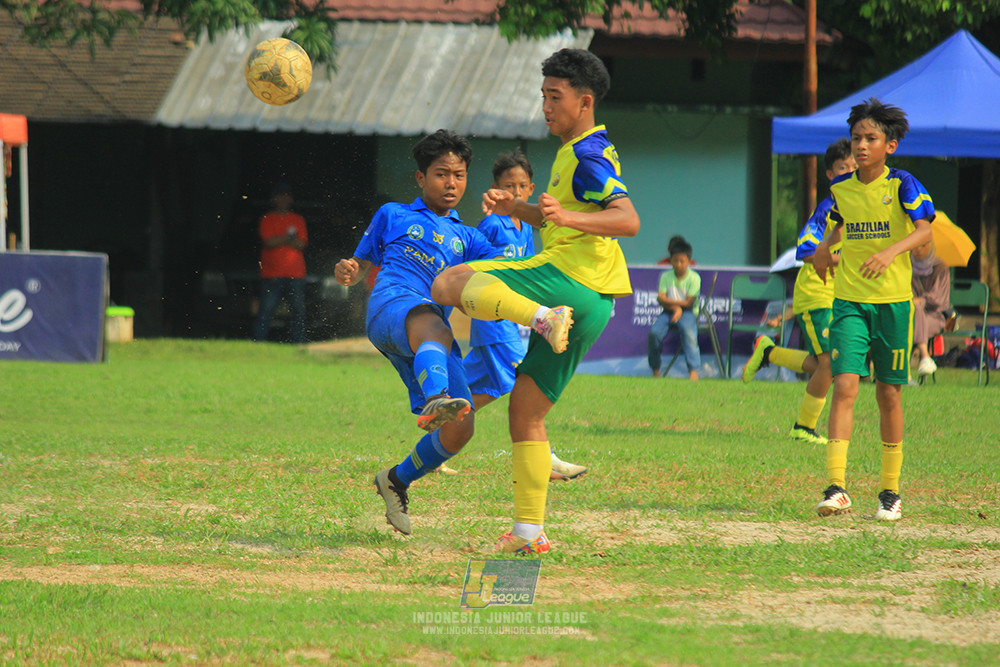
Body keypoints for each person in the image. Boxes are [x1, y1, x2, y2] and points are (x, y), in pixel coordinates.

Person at [431, 48, 640, 554]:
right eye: (543, 95)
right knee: (525, 410)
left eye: (555, 96)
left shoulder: (587, 155)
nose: (545, 106)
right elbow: (561, 213)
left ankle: (541, 318)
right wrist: (520, 208)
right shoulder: (580, 150)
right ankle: (529, 532)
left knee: (446, 284)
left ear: (584, 101)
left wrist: (566, 220)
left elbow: (627, 220)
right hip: (595, 303)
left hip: (567, 281)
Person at [333, 129, 498, 536]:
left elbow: (510, 267)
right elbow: (356, 266)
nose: (451, 183)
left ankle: (395, 479)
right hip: (391, 308)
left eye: (459, 175)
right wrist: (348, 272)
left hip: (429, 338)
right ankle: (437, 398)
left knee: (461, 428)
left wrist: (515, 221)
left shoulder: (470, 237)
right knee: (434, 328)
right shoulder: (393, 214)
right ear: (420, 178)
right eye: (441, 174)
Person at [810, 98, 934, 522]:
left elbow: (924, 230)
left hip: (894, 306)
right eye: (857, 138)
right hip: (848, 303)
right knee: (844, 385)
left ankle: (890, 492)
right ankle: (837, 487)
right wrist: (825, 251)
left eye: (871, 139)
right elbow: (841, 221)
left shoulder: (903, 185)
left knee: (888, 393)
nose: (861, 146)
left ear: (890, 145)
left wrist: (888, 253)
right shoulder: (841, 190)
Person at [455, 150, 589, 481]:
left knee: (473, 390)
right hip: (493, 321)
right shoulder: (492, 224)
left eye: (521, 186)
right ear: (495, 189)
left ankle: (441, 427)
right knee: (528, 380)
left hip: (510, 323)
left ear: (531, 189)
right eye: (508, 186)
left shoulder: (526, 226)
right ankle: (547, 459)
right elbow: (474, 266)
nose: (515, 193)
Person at [742, 139, 858, 445]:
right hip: (816, 292)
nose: (851, 172)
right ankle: (803, 428)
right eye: (844, 168)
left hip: (840, 295)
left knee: (824, 363)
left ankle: (769, 351)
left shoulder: (861, 208)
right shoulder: (828, 208)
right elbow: (806, 248)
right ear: (831, 175)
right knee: (830, 364)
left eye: (855, 167)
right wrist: (834, 257)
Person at [253, 182, 308, 344]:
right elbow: (268, 241)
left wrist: (281, 239)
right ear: (274, 199)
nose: (283, 199)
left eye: (286, 196)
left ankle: (300, 343)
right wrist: (290, 238)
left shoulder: (298, 219)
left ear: (290, 199)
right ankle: (259, 342)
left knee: (298, 311)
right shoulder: (267, 219)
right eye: (280, 196)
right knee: (266, 310)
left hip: (296, 274)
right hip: (272, 274)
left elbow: (302, 244)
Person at [647, 236, 701, 380]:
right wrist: (675, 308)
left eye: (682, 261)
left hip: (688, 313)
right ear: (670, 260)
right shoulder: (665, 276)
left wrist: (677, 307)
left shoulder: (694, 278)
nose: (678, 264)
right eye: (675, 260)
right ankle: (655, 370)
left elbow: (689, 302)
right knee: (654, 333)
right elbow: (660, 298)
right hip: (668, 312)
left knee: (688, 331)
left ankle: (693, 371)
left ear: (689, 261)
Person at [910, 240, 951, 378]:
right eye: (914, 246)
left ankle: (921, 359)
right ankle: (924, 358)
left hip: (935, 317)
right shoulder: (908, 267)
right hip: (911, 315)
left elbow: (940, 300)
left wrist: (921, 301)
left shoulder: (941, 269)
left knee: (916, 313)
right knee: (911, 316)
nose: (917, 250)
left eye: (922, 246)